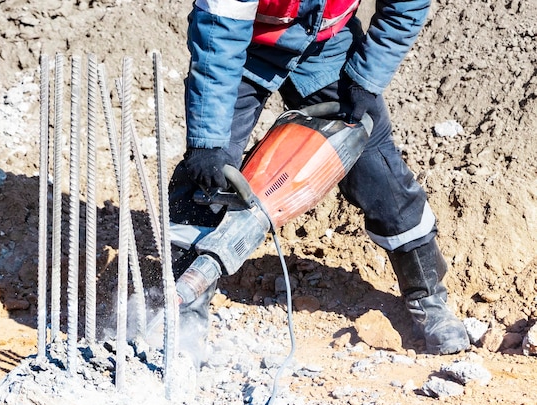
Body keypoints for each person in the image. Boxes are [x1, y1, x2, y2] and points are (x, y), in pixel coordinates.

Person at [168, 0, 470, 363]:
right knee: (207, 177)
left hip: (327, 47)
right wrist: (209, 141)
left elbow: (407, 6)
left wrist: (366, 77)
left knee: (377, 171)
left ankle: (429, 298)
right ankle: (180, 315)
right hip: (242, 49)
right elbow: (220, 33)